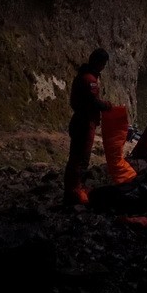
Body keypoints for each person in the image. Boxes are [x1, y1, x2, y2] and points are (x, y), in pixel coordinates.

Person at [63, 47, 112, 207]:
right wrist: (107, 105)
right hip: (85, 123)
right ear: (98, 62)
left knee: (75, 157)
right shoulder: (89, 80)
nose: (103, 67)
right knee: (80, 158)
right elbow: (93, 102)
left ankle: (73, 188)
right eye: (103, 63)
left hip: (80, 121)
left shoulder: (82, 76)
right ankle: (75, 191)